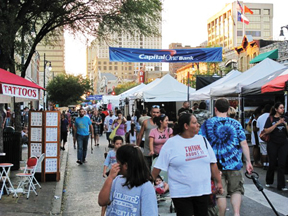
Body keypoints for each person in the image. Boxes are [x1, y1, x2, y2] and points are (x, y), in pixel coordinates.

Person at [152, 113, 223, 216]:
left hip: (202, 190)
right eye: (194, 123)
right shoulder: (171, 143)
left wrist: (219, 182)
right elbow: (158, 167)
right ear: (186, 126)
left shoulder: (202, 140)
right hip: (181, 193)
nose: (198, 125)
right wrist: (148, 184)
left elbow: (212, 163)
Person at [200, 98, 253, 216]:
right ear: (228, 109)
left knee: (220, 193)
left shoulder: (207, 124)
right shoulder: (236, 123)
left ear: (215, 109)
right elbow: (243, 143)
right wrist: (248, 161)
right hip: (234, 163)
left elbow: (201, 142)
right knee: (236, 190)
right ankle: (237, 214)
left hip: (215, 165)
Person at [98, 144, 158, 216]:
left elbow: (149, 212)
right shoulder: (117, 180)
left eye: (118, 162)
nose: (115, 164)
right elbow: (102, 201)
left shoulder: (146, 187)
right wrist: (110, 178)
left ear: (125, 165)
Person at [263, 102, 288, 191]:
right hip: (272, 143)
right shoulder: (270, 119)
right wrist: (277, 124)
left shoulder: (286, 118)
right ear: (276, 109)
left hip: (283, 143)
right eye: (281, 107)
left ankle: (281, 185)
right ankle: (269, 181)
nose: (283, 109)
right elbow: (266, 130)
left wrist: (285, 124)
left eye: (283, 107)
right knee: (272, 163)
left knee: (282, 164)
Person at [137, 105, 160, 169]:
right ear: (150, 112)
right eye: (154, 112)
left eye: (157, 112)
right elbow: (140, 135)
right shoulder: (146, 122)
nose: (155, 114)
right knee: (147, 168)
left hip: (158, 150)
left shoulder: (161, 122)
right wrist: (137, 146)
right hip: (147, 149)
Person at [256, 104, 272, 170]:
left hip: (262, 137)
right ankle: (268, 164)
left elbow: (257, 127)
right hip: (270, 137)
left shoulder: (260, 117)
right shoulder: (271, 117)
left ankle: (264, 164)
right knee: (269, 151)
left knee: (263, 151)